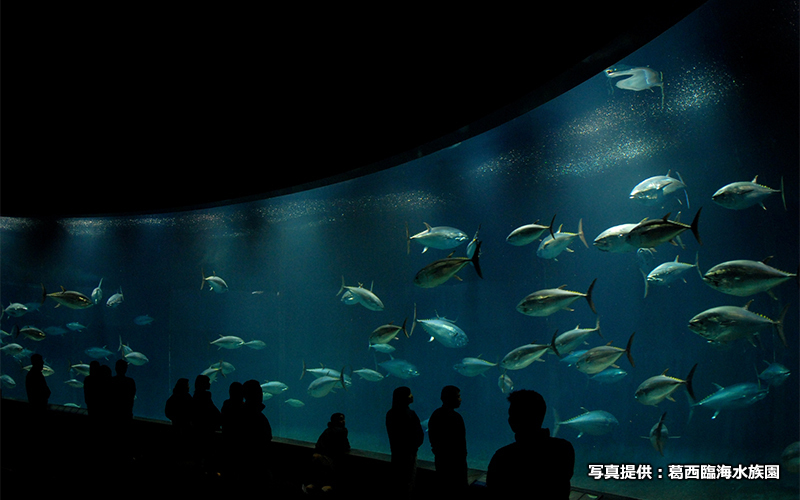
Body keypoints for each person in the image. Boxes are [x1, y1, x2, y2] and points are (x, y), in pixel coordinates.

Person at [486, 389, 575, 499]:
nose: (509, 419)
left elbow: (493, 491)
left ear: (513, 420)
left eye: (512, 414)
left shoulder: (503, 456)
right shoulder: (563, 448)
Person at [385, 386, 424, 500]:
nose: (412, 396)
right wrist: (415, 447)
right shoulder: (409, 414)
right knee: (408, 481)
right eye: (409, 394)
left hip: (396, 453)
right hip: (409, 454)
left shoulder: (390, 413)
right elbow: (417, 434)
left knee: (397, 481)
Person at [427, 385, 467, 494]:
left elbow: (432, 436)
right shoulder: (456, 417)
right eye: (458, 396)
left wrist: (437, 451)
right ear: (451, 398)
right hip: (456, 463)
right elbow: (460, 442)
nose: (460, 399)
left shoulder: (436, 414)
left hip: (441, 460)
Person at [304, 412, 351, 496]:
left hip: (323, 457)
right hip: (331, 458)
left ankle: (314, 484)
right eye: (341, 419)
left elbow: (319, 445)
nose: (343, 421)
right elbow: (345, 446)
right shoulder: (342, 431)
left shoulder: (328, 430)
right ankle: (330, 486)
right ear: (335, 421)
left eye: (343, 419)